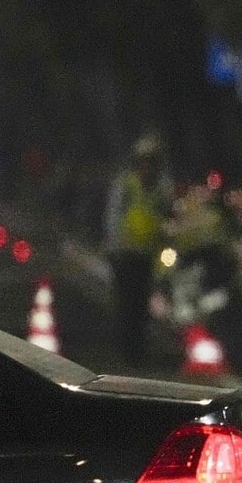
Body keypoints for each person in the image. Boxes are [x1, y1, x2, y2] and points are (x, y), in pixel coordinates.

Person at [102, 133, 174, 363]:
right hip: (124, 253)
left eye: (153, 162)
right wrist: (113, 248)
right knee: (126, 302)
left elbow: (165, 218)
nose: (149, 166)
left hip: (146, 255)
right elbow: (113, 217)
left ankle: (138, 349)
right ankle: (126, 348)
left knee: (141, 304)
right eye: (145, 161)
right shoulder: (126, 184)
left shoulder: (161, 189)